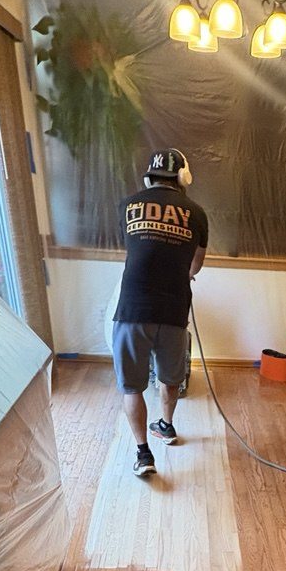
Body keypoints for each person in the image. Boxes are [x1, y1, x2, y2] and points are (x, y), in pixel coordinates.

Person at [112, 148, 208, 476]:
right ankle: (166, 426)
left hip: (132, 309)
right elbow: (196, 265)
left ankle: (143, 455)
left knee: (132, 386)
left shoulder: (128, 205)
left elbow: (132, 249)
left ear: (148, 176)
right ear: (184, 177)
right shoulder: (197, 213)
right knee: (170, 379)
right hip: (174, 309)